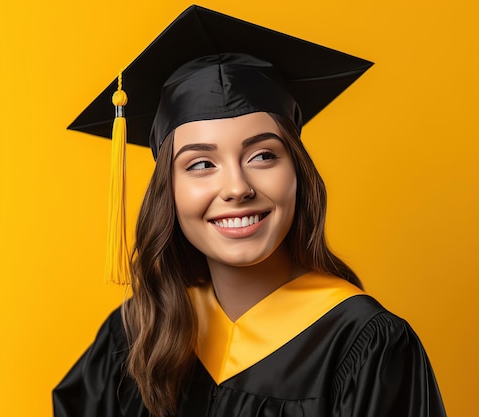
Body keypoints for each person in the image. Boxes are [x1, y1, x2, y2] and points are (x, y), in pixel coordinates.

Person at [53, 5, 447, 417]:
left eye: (262, 156)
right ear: (168, 192)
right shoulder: (136, 332)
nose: (237, 188)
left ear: (298, 171)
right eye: (201, 164)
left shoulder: (365, 344)